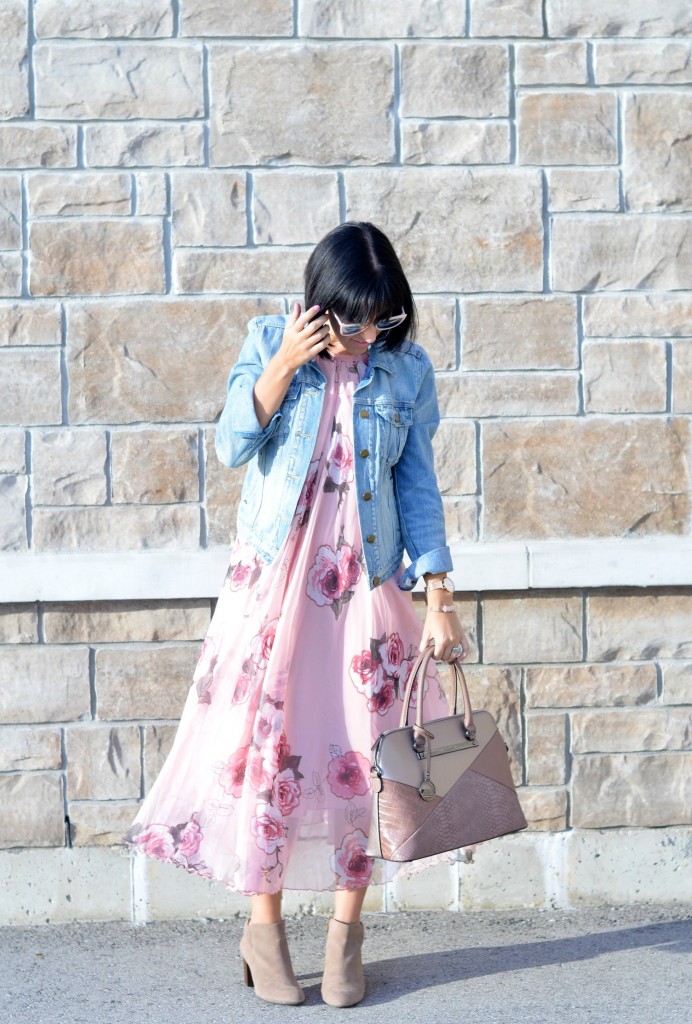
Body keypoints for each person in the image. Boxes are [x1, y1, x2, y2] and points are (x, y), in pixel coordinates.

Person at [122, 221, 469, 1007]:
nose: (368, 334)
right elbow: (231, 446)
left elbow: (418, 487)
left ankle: (348, 934)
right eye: (353, 320)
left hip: (367, 588)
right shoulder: (272, 342)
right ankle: (262, 929)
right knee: (270, 755)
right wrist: (283, 362)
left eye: (383, 318)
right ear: (320, 306)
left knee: (368, 757)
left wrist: (440, 594)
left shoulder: (405, 371)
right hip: (276, 588)